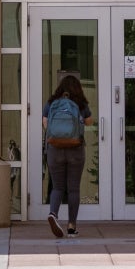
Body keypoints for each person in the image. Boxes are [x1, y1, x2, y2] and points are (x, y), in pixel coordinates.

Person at [42, 72, 94, 239]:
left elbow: (45, 123)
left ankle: (53, 213)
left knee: (57, 187)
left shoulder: (52, 103)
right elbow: (89, 121)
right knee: (73, 188)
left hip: (55, 149)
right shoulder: (80, 103)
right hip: (75, 149)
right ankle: (72, 226)